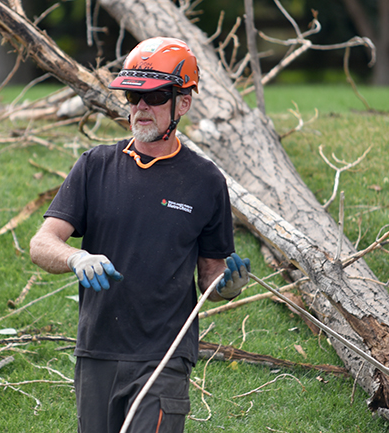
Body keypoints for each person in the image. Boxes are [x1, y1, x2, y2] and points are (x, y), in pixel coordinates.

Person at [30, 36, 251, 433]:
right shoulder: (94, 166)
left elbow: (210, 277)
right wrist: (76, 258)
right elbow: (42, 243)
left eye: (155, 96)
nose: (141, 107)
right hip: (96, 351)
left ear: (183, 102)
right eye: (133, 96)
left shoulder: (205, 181)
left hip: (163, 357)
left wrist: (228, 286)